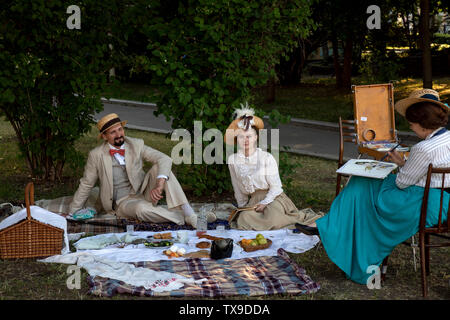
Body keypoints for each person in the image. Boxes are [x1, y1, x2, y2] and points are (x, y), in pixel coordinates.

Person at [295, 89, 450, 285]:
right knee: (363, 185)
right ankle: (327, 225)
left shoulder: (423, 148)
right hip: (444, 203)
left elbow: (402, 183)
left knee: (363, 188)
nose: (411, 129)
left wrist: (400, 166)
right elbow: (428, 172)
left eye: (412, 125)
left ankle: (328, 226)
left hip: (422, 203)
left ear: (423, 124)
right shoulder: (446, 138)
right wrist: (404, 163)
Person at [69, 113, 199, 227]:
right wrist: (73, 211)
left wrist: (159, 185)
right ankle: (183, 217)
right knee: (141, 209)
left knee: (162, 169)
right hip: (123, 203)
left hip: (144, 192)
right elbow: (87, 183)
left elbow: (164, 158)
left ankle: (189, 213)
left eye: (120, 129)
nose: (119, 134)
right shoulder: (96, 155)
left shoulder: (136, 144)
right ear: (104, 136)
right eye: (113, 132)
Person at [224, 104, 322, 230]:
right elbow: (238, 189)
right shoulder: (233, 161)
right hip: (254, 201)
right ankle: (263, 222)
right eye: (241, 137)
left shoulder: (266, 157)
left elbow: (276, 187)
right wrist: (242, 208)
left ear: (255, 138)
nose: (245, 140)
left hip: (273, 198)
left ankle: (301, 222)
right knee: (243, 219)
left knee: (273, 218)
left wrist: (265, 203)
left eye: (249, 136)